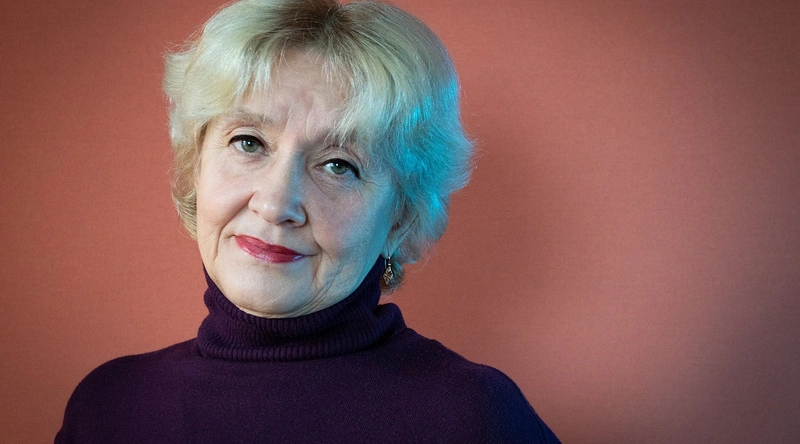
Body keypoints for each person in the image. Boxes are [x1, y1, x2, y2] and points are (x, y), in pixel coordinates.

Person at [56, 0, 560, 442]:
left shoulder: (472, 418)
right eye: (248, 142)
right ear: (195, 167)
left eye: (339, 165)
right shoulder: (107, 408)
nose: (276, 205)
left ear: (400, 220)